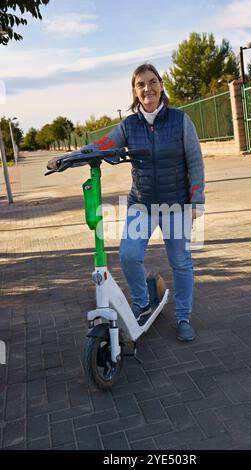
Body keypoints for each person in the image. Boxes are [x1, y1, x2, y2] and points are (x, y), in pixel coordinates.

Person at [47, 63, 205, 342]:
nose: (148, 88)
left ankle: (183, 317)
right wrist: (67, 158)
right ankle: (142, 302)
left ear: (161, 85)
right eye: (141, 84)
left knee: (180, 262)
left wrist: (196, 202)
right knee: (129, 255)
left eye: (152, 82)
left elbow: (195, 163)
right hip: (141, 204)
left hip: (176, 205)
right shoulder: (129, 125)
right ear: (135, 91)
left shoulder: (181, 120)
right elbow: (102, 145)